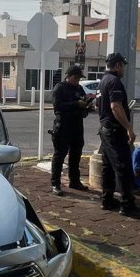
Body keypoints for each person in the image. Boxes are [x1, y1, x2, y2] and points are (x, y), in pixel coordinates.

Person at [96, 52, 140, 219]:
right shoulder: (114, 81)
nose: (124, 69)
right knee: (123, 167)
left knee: (108, 167)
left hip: (105, 130)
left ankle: (107, 199)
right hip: (114, 131)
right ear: (118, 65)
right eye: (123, 65)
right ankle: (127, 205)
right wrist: (129, 128)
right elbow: (116, 107)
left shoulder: (103, 81)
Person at [49, 64, 91, 195]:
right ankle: (55, 184)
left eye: (79, 79)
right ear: (69, 76)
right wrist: (75, 104)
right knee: (60, 155)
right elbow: (57, 107)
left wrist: (87, 106)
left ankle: (75, 181)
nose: (77, 81)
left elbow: (83, 106)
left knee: (76, 155)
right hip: (63, 125)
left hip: (77, 125)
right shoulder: (60, 88)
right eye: (76, 78)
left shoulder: (79, 88)